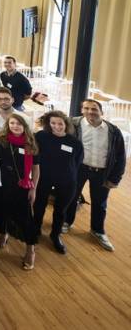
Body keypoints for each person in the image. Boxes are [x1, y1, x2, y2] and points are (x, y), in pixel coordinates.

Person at [65, 99, 126, 252]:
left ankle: (97, 230)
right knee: (72, 196)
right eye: (86, 108)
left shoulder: (112, 130)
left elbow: (121, 156)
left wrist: (115, 178)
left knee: (100, 203)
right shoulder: (74, 124)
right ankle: (67, 222)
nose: (90, 112)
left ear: (101, 112)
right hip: (79, 169)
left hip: (101, 171)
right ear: (82, 110)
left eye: (94, 109)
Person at [34, 111, 83, 254]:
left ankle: (55, 235)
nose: (57, 126)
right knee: (39, 205)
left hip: (66, 181)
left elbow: (77, 163)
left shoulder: (75, 143)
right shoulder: (41, 136)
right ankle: (36, 229)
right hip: (44, 178)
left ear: (66, 124)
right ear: (48, 124)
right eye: (53, 123)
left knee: (61, 210)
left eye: (60, 123)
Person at [0, 114, 39, 270]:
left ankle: (30, 250)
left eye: (19, 124)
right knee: (3, 211)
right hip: (3, 182)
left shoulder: (30, 143)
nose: (15, 126)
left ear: (24, 126)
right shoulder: (1, 140)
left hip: (22, 185)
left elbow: (36, 167)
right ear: (8, 124)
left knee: (25, 218)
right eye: (12, 123)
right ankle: (3, 234)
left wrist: (33, 188)